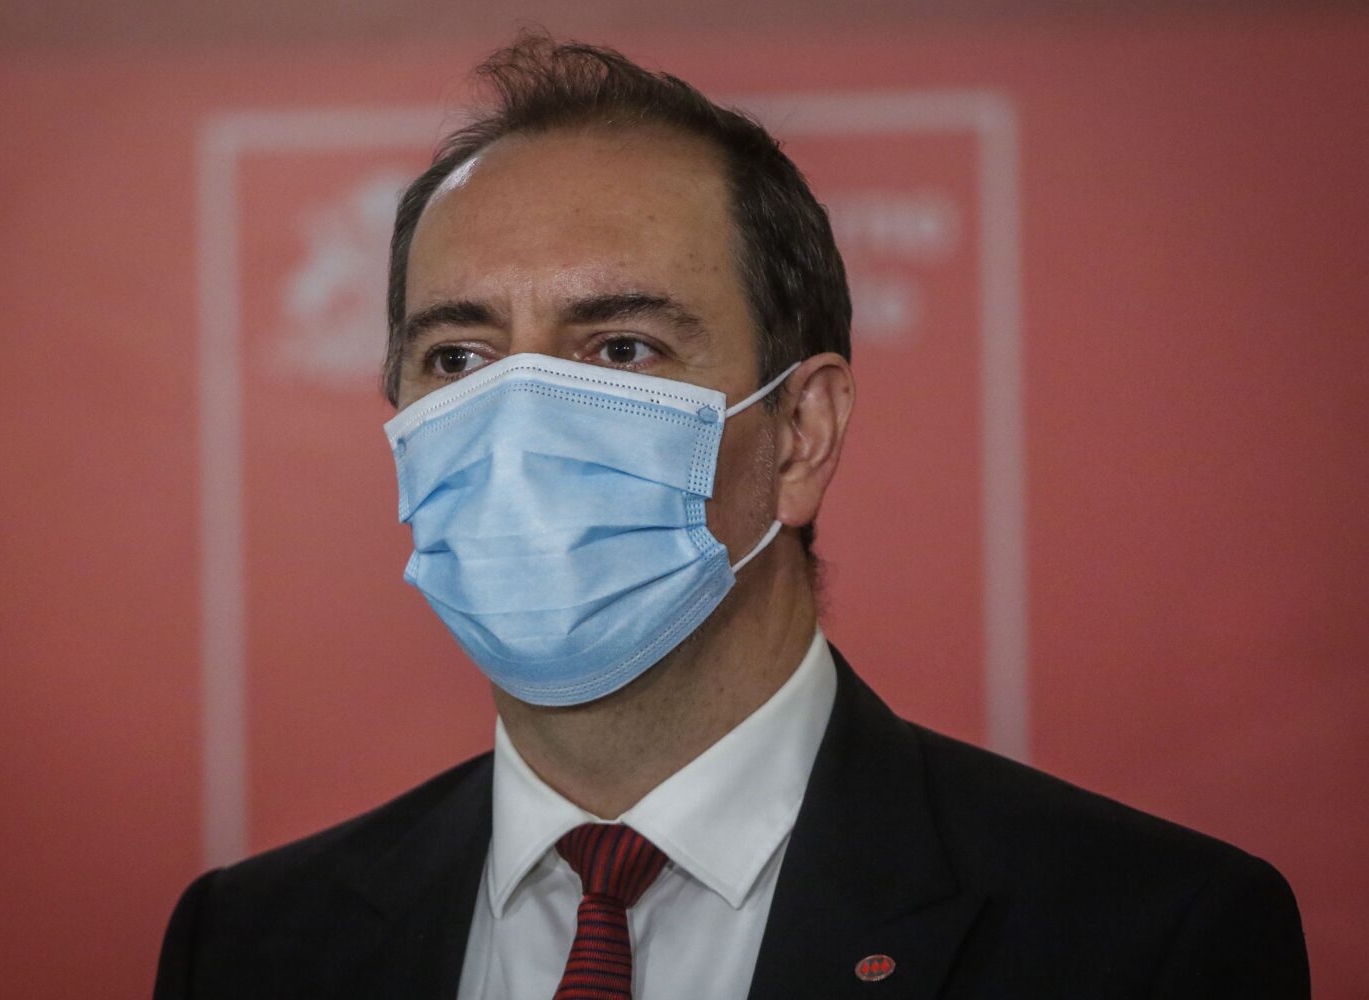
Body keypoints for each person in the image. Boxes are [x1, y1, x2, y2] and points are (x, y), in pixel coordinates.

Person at [155, 35, 1309, 999]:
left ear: (801, 431)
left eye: (622, 348)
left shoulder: (1145, 939)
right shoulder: (251, 947)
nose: (516, 421)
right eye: (457, 356)